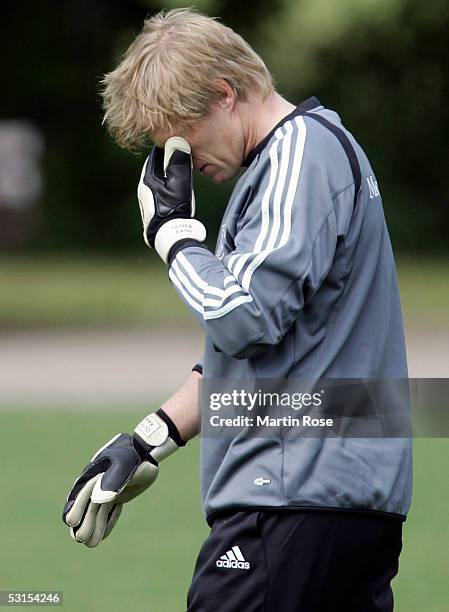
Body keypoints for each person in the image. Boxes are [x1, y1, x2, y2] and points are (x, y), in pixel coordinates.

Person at [62, 8, 412, 611]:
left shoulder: (297, 156)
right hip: (334, 501)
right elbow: (262, 356)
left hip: (290, 499)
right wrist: (149, 440)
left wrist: (174, 236)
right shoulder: (294, 164)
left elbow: (244, 319)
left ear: (224, 95)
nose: (181, 162)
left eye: (180, 138)